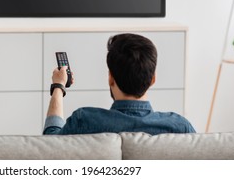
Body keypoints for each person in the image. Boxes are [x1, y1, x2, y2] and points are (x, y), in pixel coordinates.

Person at [43, 33, 195, 135]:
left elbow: (51, 145)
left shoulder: (84, 121)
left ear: (110, 78)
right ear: (153, 79)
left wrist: (58, 86)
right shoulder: (180, 128)